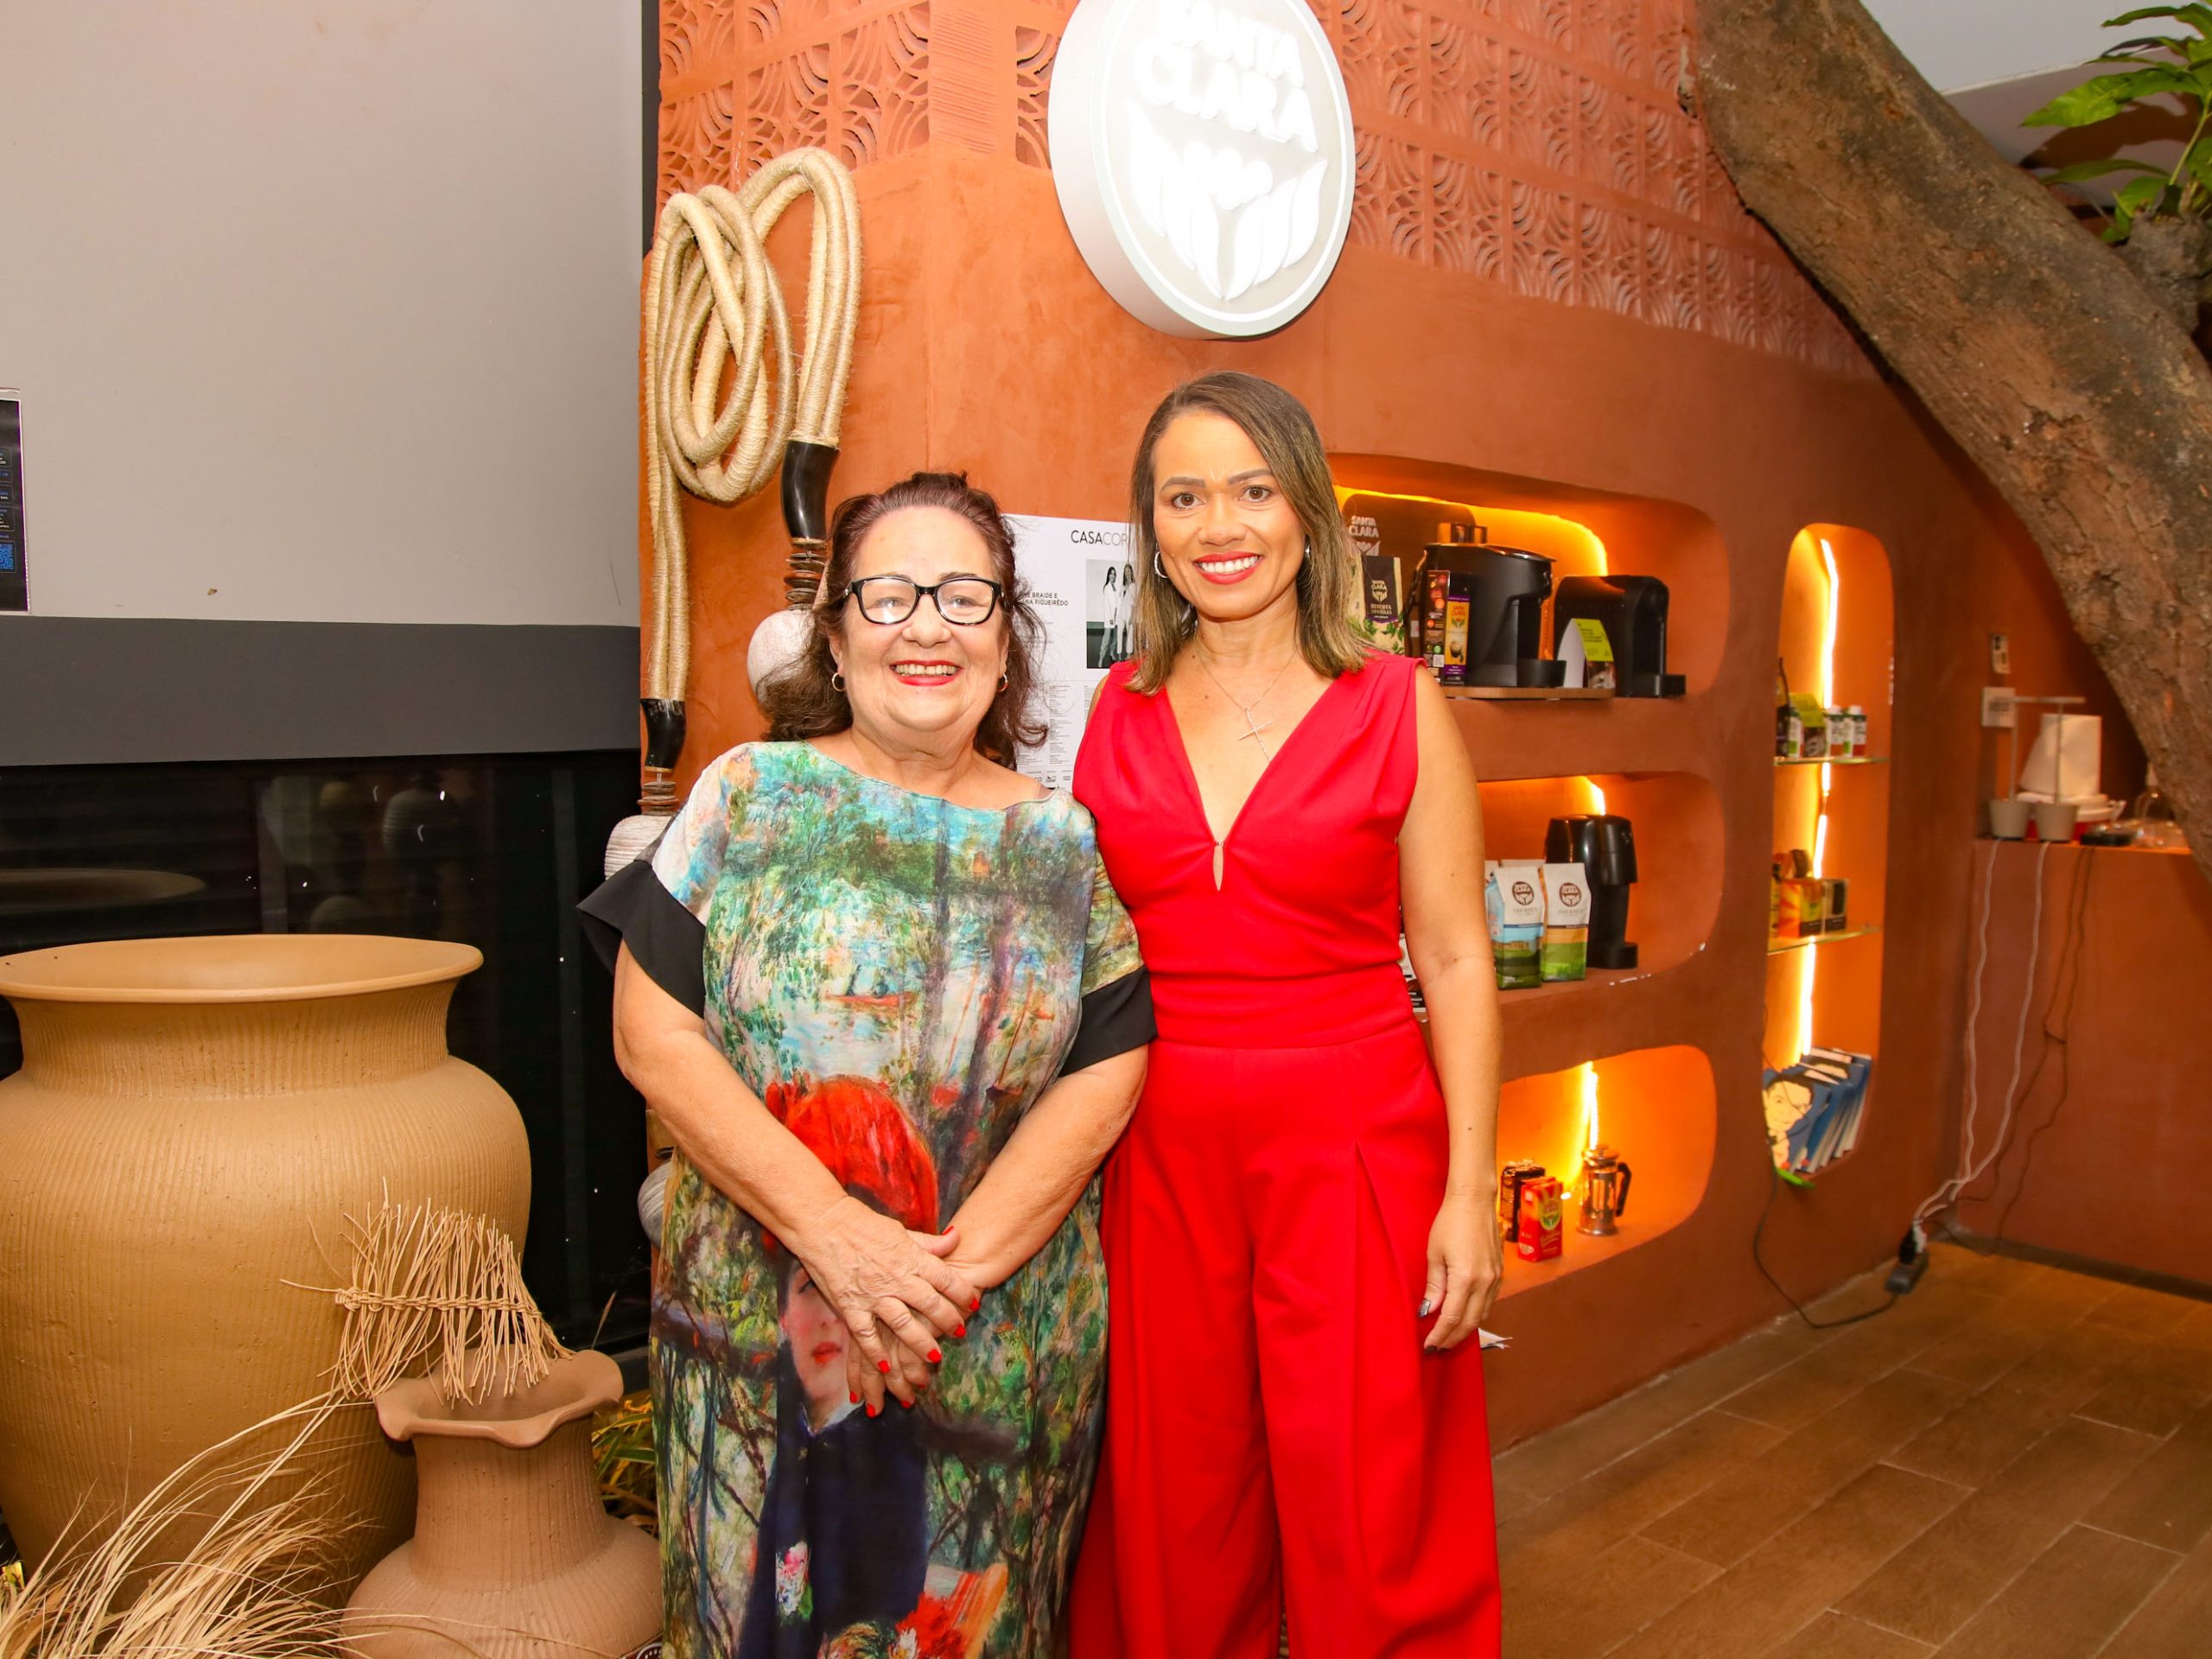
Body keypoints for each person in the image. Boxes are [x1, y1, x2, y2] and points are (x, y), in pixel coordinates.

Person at [582, 471, 1154, 1659]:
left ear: (1008, 638)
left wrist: (934, 1287)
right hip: (757, 1357)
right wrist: (838, 1239)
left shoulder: (1061, 842)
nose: (927, 627)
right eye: (888, 597)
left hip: (990, 1349)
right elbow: (652, 1034)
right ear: (836, 639)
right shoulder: (748, 796)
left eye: (964, 596)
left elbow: (1109, 1064)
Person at [1068, 372, 1505, 1657]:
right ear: (1153, 529)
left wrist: (1471, 1190)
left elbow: (1457, 958)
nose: (1221, 525)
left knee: (1369, 1500)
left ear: (1308, 515)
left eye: (1254, 490)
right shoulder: (1114, 709)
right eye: (1185, 497)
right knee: (1178, 1493)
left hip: (1356, 1144)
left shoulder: (1396, 701)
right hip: (1157, 1149)